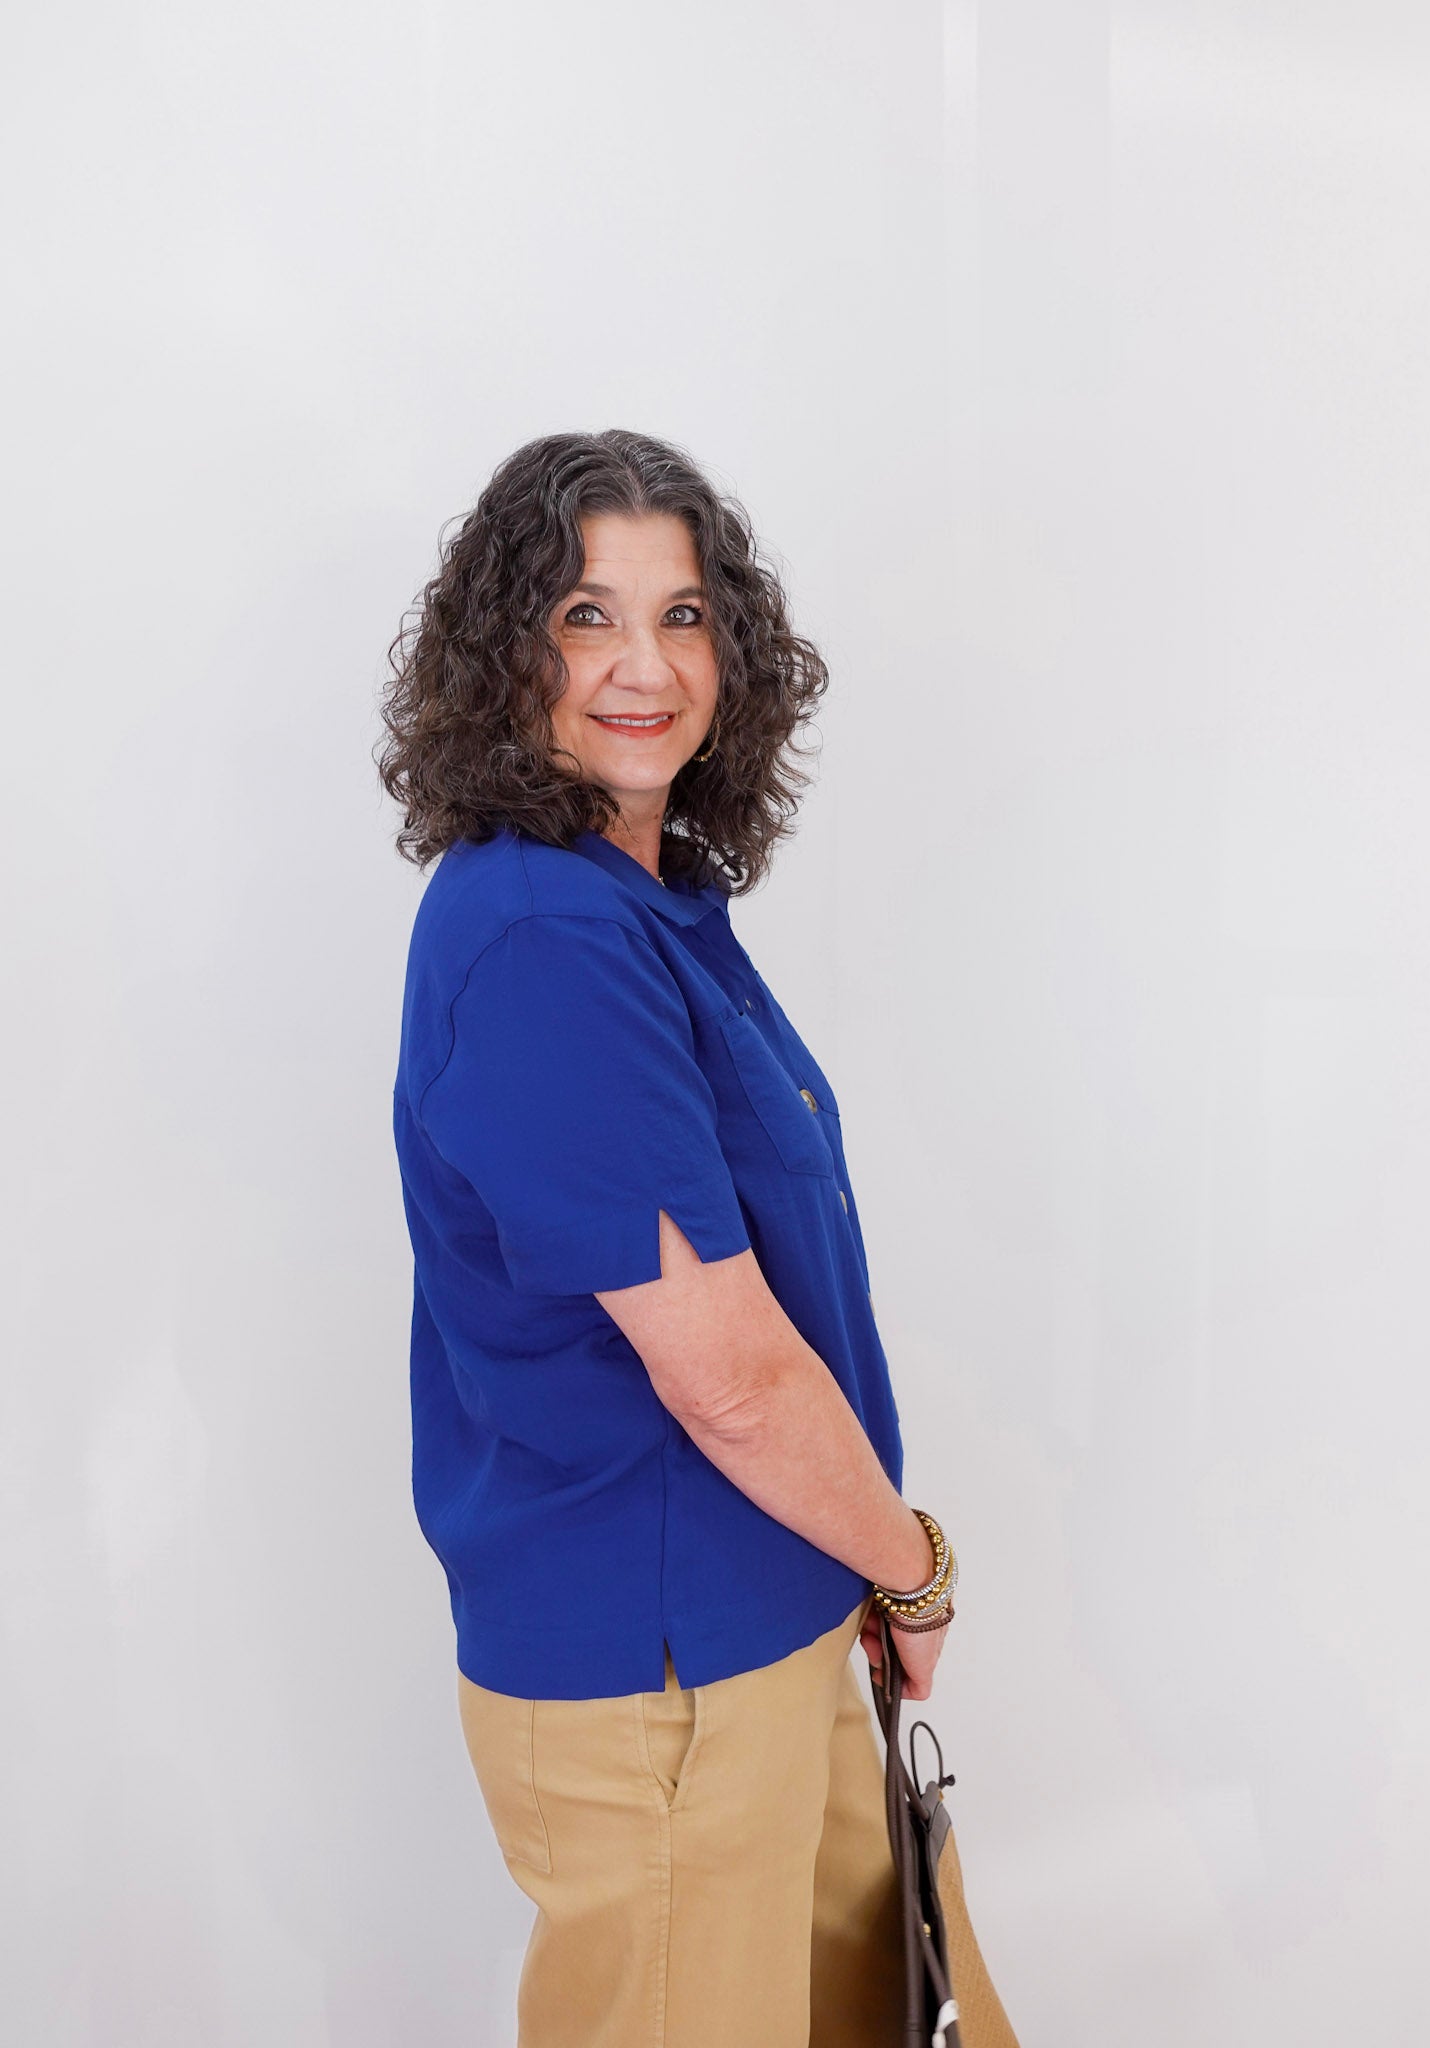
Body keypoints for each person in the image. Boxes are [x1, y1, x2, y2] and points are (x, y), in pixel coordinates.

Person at [378, 429, 959, 2046]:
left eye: (685, 615)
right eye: (584, 616)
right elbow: (732, 1380)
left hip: (758, 1625)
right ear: (503, 656)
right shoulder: (543, 936)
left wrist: (850, 1568)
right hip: (664, 1691)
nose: (645, 665)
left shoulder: (643, 908)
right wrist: (913, 1573)